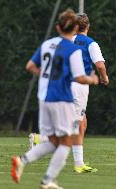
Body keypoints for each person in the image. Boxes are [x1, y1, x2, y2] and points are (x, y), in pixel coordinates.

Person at [11, 9, 99, 189]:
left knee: (53, 141)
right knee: (66, 142)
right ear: (75, 27)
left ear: (58, 27)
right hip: (61, 99)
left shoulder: (47, 44)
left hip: (44, 98)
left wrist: (47, 76)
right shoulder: (73, 50)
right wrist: (93, 79)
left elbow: (30, 66)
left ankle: (22, 161)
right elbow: (80, 78)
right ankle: (47, 180)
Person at [28, 13, 109, 174]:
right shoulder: (91, 44)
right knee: (76, 124)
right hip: (79, 85)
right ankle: (42, 140)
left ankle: (78, 162)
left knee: (80, 122)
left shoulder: (66, 41)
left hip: (63, 84)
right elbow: (99, 65)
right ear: (88, 26)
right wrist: (104, 78)